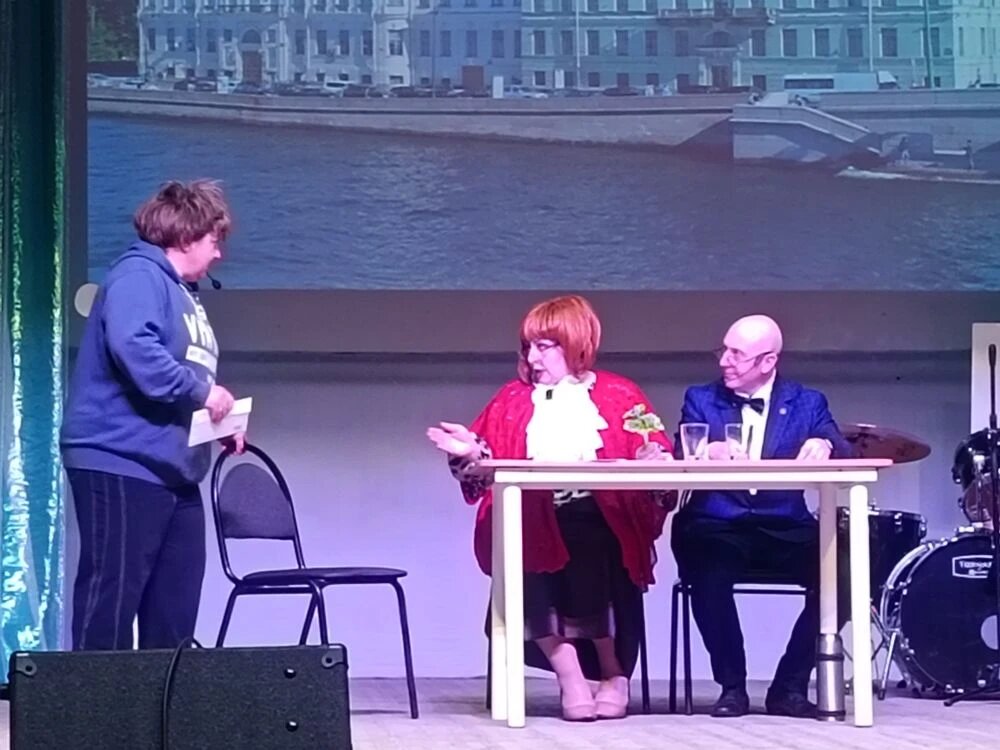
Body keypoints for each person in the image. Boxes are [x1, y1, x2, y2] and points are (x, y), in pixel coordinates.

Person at [427, 295, 673, 722]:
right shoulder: (511, 399)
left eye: (544, 346)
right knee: (525, 542)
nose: (532, 358)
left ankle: (614, 674)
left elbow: (656, 455)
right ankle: (570, 675)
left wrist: (656, 457)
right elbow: (484, 470)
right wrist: (470, 453)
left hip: (600, 516)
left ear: (576, 344)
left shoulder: (620, 394)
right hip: (530, 516)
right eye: (528, 347)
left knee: (591, 538)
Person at [61, 179, 244, 651]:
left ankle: (163, 701)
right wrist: (202, 393)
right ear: (185, 236)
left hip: (174, 469)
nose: (219, 253)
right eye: (214, 240)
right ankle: (93, 699)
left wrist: (217, 422)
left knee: (174, 611)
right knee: (111, 603)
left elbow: (181, 376)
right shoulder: (138, 275)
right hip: (121, 458)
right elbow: (135, 348)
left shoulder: (183, 292)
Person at [671, 314, 853, 719]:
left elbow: (842, 446)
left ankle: (788, 687)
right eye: (723, 351)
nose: (724, 361)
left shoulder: (807, 402)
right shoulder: (701, 397)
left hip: (784, 526)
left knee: (846, 577)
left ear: (768, 361)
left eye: (737, 354)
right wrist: (708, 451)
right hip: (719, 524)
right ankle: (732, 687)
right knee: (707, 566)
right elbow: (681, 444)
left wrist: (824, 444)